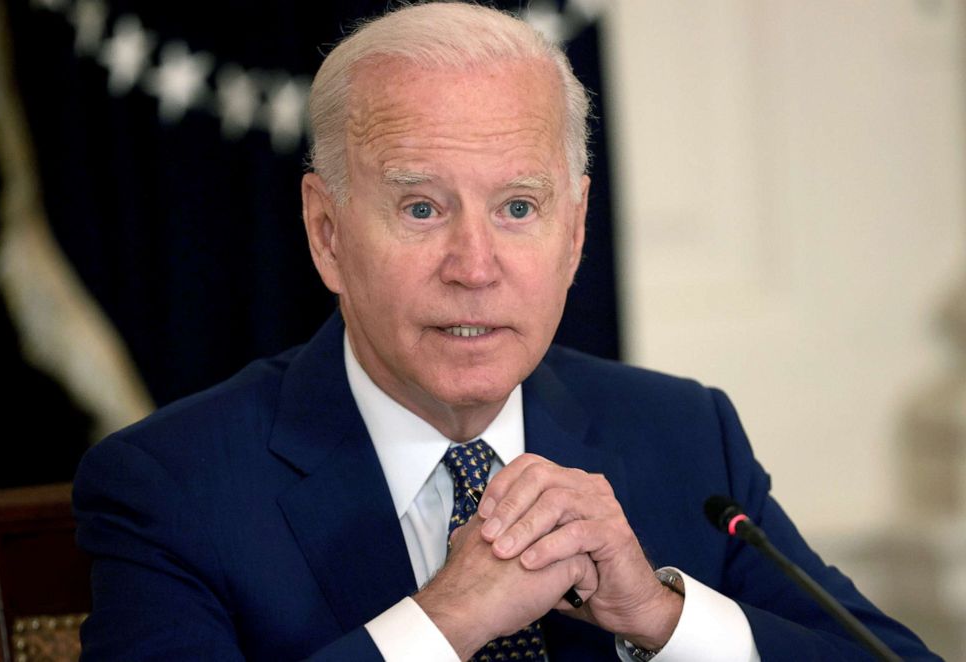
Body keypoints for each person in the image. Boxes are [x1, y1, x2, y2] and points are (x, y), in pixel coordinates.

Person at [73, 3, 939, 661]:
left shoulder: (683, 437)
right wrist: (444, 622)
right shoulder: (171, 488)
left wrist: (664, 619)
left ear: (574, 232)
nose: (474, 265)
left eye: (519, 207)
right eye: (421, 207)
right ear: (327, 234)